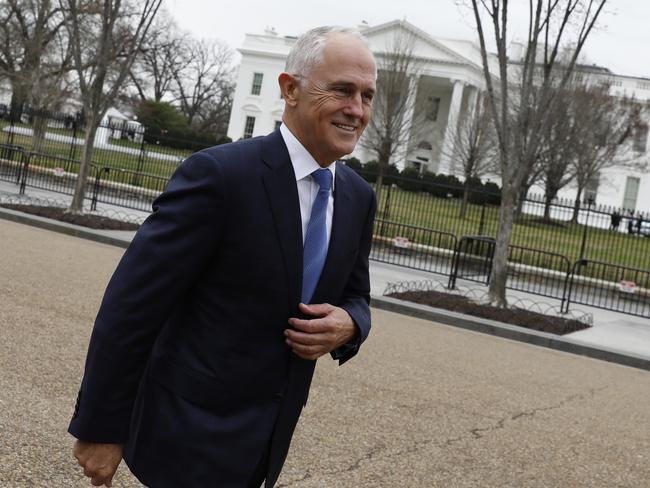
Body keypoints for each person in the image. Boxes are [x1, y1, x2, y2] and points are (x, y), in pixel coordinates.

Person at [69, 26, 377, 488]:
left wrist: (351, 325)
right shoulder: (219, 176)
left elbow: (357, 296)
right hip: (187, 436)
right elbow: (131, 308)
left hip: (267, 444)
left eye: (367, 96)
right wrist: (101, 427)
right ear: (289, 89)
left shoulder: (357, 197)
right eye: (342, 90)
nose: (357, 109)